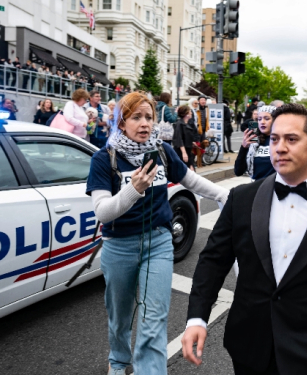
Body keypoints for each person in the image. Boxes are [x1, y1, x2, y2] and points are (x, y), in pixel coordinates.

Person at [182, 103, 307, 375]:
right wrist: (196, 318)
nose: (280, 147)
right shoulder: (241, 199)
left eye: (291, 139)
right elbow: (213, 261)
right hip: (249, 346)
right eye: (274, 139)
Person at [86, 92, 228, 375]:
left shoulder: (162, 151)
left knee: (154, 318)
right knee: (120, 315)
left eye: (149, 117)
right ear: (122, 121)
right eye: (136, 117)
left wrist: (227, 195)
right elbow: (102, 212)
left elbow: (191, 180)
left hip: (159, 243)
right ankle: (118, 361)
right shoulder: (104, 158)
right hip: (119, 246)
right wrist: (133, 190)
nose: (144, 124)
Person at [234, 105, 277, 181]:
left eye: (267, 119)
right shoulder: (254, 140)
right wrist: (244, 147)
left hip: (275, 188)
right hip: (256, 188)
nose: (262, 122)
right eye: (259, 119)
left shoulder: (281, 141)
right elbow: (238, 171)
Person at [173, 105, 197, 170]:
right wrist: (184, 153)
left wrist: (191, 142)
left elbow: (185, 137)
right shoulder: (179, 124)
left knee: (191, 170)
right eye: (190, 112)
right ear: (186, 114)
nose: (191, 113)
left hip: (188, 150)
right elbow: (179, 139)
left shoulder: (187, 123)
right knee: (186, 170)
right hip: (182, 152)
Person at [194, 96, 210, 168]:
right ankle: (195, 161)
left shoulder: (206, 108)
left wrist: (208, 125)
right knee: (196, 146)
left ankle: (201, 160)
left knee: (203, 146)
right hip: (198, 130)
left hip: (204, 129)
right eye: (202, 100)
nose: (203, 101)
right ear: (199, 101)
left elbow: (207, 118)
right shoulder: (197, 108)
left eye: (204, 100)